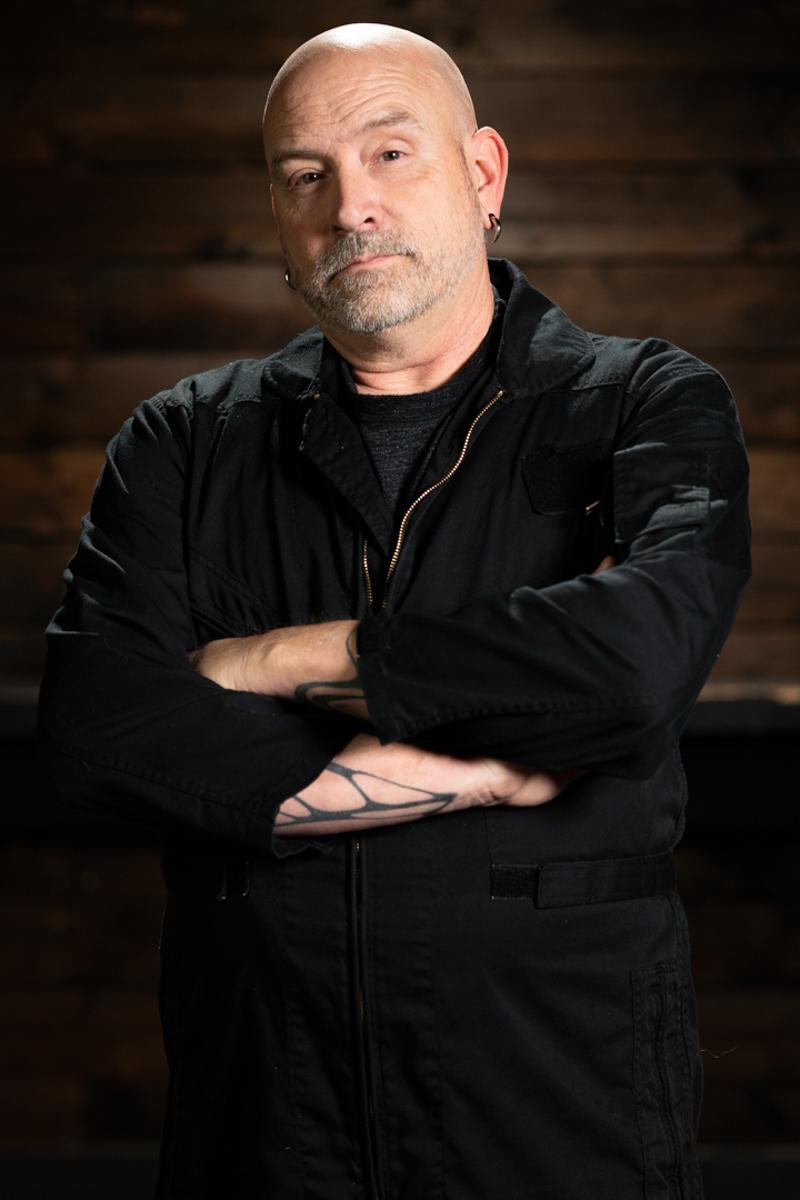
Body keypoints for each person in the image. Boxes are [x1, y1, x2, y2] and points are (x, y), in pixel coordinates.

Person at [38, 22, 750, 1200]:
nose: (348, 205)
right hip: (264, 1128)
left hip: (556, 1119)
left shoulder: (643, 405)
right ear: (276, 211)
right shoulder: (182, 441)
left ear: (482, 174)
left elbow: (631, 669)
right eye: (303, 174)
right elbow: (95, 721)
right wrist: (480, 771)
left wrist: (279, 658)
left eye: (388, 153)